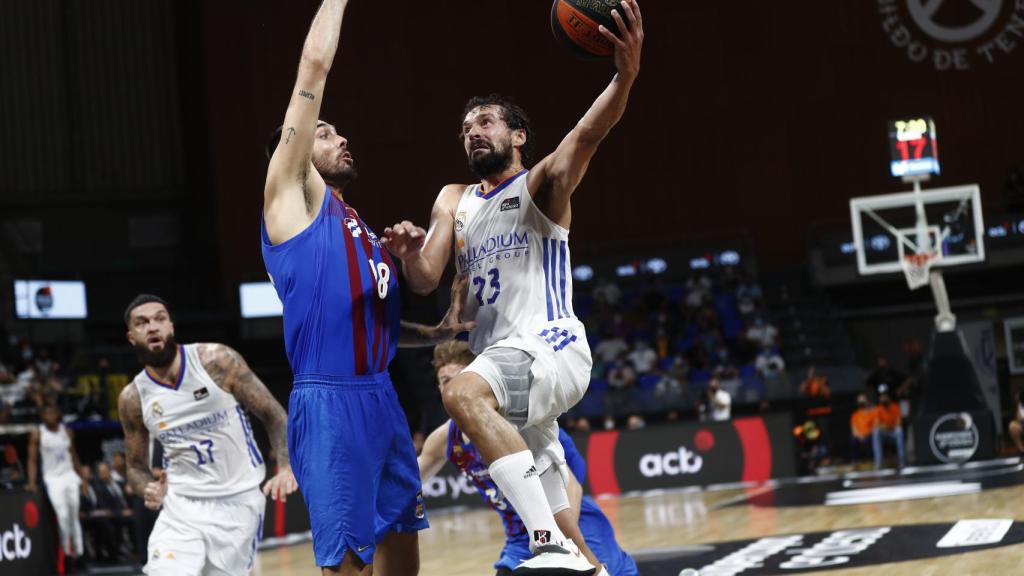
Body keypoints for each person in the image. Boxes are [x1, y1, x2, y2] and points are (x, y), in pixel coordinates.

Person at [382, 2, 643, 572]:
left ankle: (543, 544)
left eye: (486, 122)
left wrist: (624, 76)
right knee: (554, 493)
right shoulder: (455, 199)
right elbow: (426, 277)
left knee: (461, 394)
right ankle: (582, 562)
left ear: (518, 135)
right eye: (466, 128)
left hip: (550, 346)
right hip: (506, 359)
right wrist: (407, 255)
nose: (473, 132)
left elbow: (588, 132)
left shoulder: (541, 184)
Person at [260, 2, 474, 572]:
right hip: (328, 401)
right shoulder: (293, 199)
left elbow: (372, 326)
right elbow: (313, 67)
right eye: (324, 133)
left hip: (382, 398)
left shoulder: (356, 226)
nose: (340, 136)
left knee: (403, 553)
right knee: (348, 561)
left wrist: (435, 330)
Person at [419, 342, 636, 576]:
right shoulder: (443, 439)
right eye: (445, 381)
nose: (453, 387)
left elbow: (570, 487)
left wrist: (564, 540)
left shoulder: (520, 422)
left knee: (598, 569)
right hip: (520, 538)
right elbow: (410, 480)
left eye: (460, 378)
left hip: (572, 519)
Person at [118, 294, 299, 575]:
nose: (152, 327)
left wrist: (287, 466)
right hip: (182, 506)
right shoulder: (133, 397)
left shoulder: (216, 361)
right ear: (131, 337)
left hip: (238, 501)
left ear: (171, 327)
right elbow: (135, 467)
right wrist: (148, 488)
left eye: (159, 319)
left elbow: (274, 416)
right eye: (142, 323)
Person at [26, 404, 85, 561]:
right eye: (47, 413)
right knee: (63, 515)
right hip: (52, 478)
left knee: (74, 515)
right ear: (43, 416)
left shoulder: (67, 431)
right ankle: (66, 552)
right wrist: (32, 482)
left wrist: (83, 479)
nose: (51, 416)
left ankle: (79, 553)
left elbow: (74, 456)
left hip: (69, 475)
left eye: (54, 413)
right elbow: (32, 460)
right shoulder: (38, 433)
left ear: (58, 414)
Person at [873, 387, 905, 469]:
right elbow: (877, 425)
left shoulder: (895, 407)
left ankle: (902, 461)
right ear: (879, 398)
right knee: (876, 432)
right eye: (881, 397)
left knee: (899, 431)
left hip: (893, 433)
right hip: (884, 434)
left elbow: (898, 423)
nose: (883, 398)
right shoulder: (878, 409)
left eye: (885, 396)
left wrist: (886, 425)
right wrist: (888, 425)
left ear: (889, 397)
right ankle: (879, 462)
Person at [849, 394, 875, 466]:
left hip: (869, 435)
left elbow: (875, 426)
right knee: (853, 439)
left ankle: (871, 460)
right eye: (860, 401)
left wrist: (866, 434)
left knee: (872, 438)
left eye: (863, 400)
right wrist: (860, 436)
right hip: (859, 436)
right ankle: (855, 461)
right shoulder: (855, 415)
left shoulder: (872, 413)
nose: (861, 402)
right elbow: (854, 430)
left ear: (867, 401)